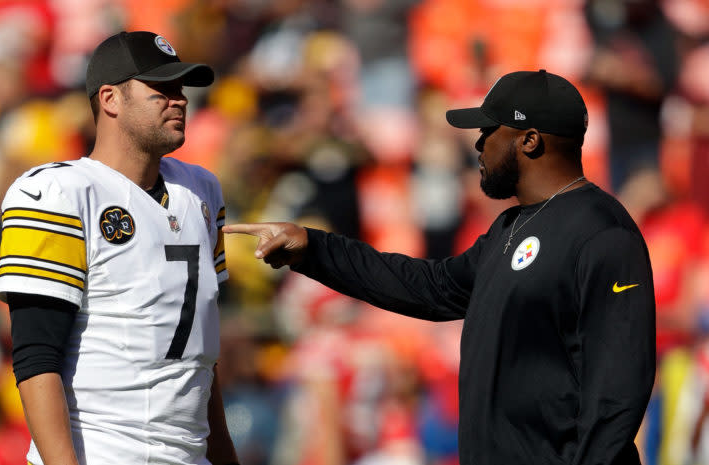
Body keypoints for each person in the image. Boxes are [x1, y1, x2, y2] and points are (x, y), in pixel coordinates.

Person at [225, 70, 656, 465]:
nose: (478, 143)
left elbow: (618, 388)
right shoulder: (511, 227)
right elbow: (428, 287)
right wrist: (313, 249)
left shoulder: (602, 233)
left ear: (529, 141)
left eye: (489, 130)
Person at [0, 31, 238, 465]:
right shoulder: (59, 191)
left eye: (180, 89)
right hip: (103, 453)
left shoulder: (201, 191)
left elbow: (200, 356)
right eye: (161, 89)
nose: (178, 100)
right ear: (110, 99)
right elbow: (36, 356)